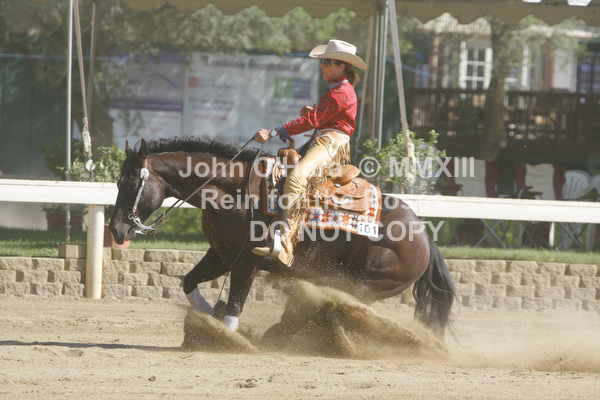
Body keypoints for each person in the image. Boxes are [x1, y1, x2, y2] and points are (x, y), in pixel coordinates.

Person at [252, 39, 366, 266]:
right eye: (323, 61)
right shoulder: (338, 90)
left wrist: (273, 132)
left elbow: (313, 121)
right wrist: (316, 112)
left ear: (341, 66)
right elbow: (323, 117)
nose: (322, 65)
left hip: (330, 143)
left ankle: (283, 243)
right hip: (324, 139)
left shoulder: (341, 92)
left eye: (327, 61)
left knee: (296, 178)